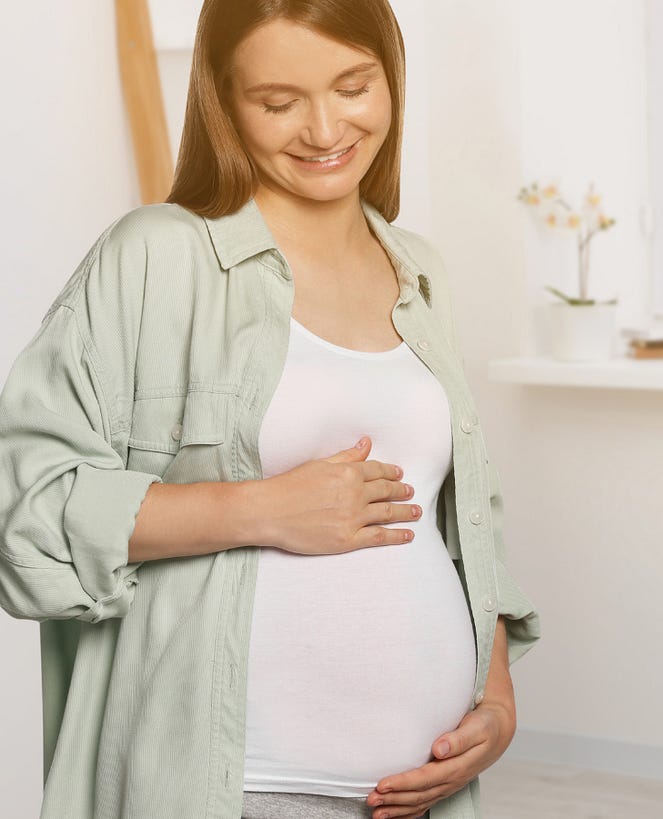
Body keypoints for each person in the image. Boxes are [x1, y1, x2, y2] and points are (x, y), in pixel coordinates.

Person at [0, 1, 538, 817]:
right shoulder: (158, 255)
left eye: (354, 86)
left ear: (391, 75)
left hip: (423, 791)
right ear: (224, 101)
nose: (325, 128)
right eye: (279, 102)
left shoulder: (417, 268)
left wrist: (494, 701)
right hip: (243, 787)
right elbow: (25, 506)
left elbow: (466, 524)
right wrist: (257, 509)